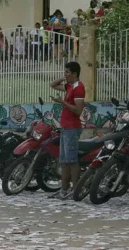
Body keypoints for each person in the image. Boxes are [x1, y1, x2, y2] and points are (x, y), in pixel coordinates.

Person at [49, 61, 86, 200]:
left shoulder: (78, 88)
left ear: (75, 74)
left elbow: (78, 110)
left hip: (72, 127)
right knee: (64, 161)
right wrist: (64, 77)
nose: (65, 74)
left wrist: (62, 102)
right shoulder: (70, 86)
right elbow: (52, 85)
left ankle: (76, 190)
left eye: (68, 72)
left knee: (72, 160)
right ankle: (64, 189)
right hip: (65, 127)